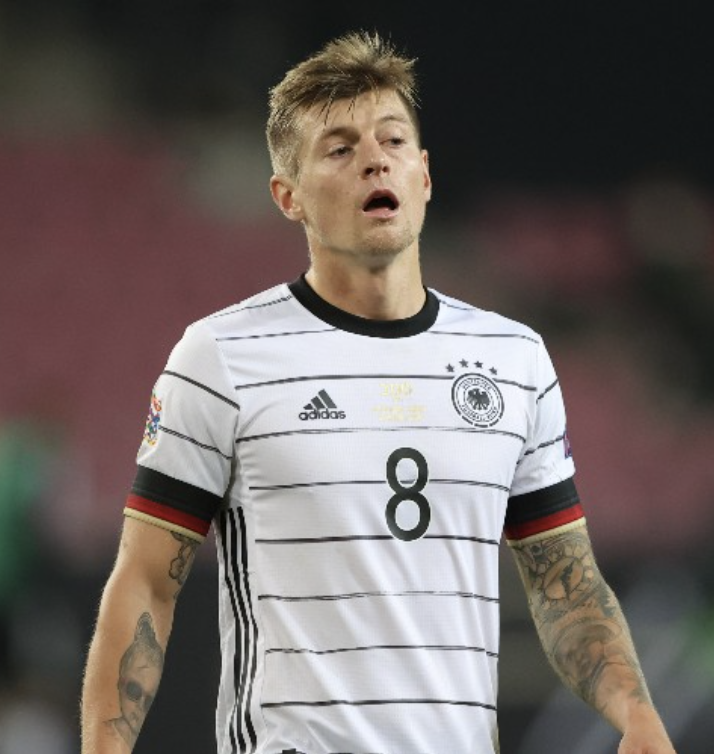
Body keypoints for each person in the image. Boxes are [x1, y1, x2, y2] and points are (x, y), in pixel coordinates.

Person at [81, 31, 677, 754]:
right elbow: (146, 583)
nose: (374, 158)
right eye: (339, 149)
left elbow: (566, 584)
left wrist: (636, 712)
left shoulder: (513, 359)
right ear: (289, 196)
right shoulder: (221, 357)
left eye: (393, 140)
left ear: (423, 174)